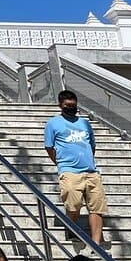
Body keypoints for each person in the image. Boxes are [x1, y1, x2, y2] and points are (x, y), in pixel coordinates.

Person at [44, 91, 108, 251]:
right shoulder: (53, 123)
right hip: (69, 171)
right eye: (68, 106)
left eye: (74, 106)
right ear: (60, 105)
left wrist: (88, 160)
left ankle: (96, 244)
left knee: (96, 207)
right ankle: (70, 225)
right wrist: (60, 163)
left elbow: (92, 145)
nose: (71, 108)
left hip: (90, 171)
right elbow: (49, 147)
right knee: (73, 204)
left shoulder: (85, 123)